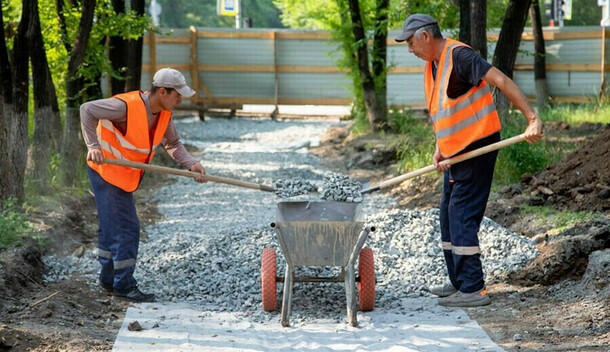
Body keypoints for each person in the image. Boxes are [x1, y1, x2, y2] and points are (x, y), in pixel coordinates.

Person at [395, 14, 543, 307]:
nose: (410, 50)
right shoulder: (433, 66)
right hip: (456, 151)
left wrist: (533, 117)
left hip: (478, 146)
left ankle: (474, 288)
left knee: (461, 213)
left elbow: (499, 79)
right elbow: (444, 112)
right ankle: (459, 282)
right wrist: (441, 148)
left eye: (411, 43)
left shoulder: (459, 56)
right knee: (448, 214)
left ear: (426, 36)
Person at [80, 68, 207, 302]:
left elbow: (173, 144)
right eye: (177, 95)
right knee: (127, 227)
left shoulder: (165, 113)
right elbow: (87, 109)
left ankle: (108, 279)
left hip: (125, 174)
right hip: (106, 171)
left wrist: (192, 164)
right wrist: (93, 146)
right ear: (162, 91)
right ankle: (124, 285)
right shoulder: (125, 106)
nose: (180, 100)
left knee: (111, 225)